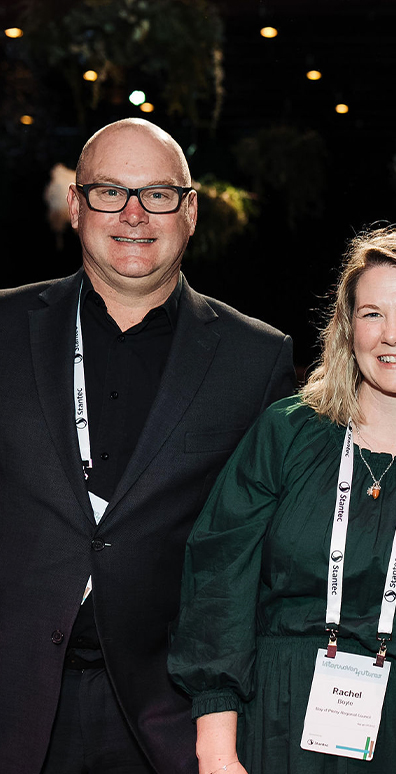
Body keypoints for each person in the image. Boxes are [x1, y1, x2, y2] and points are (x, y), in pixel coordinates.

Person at [169, 228, 396, 774]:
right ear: (347, 330)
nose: (392, 334)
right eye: (372, 314)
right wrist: (217, 750)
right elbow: (218, 581)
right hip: (272, 720)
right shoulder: (286, 434)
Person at [0, 118, 295, 774]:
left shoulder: (255, 359)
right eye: (110, 191)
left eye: (158, 194)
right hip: (12, 697)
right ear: (76, 205)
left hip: (167, 716)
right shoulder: (4, 327)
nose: (133, 214)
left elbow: (261, 557)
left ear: (190, 211)